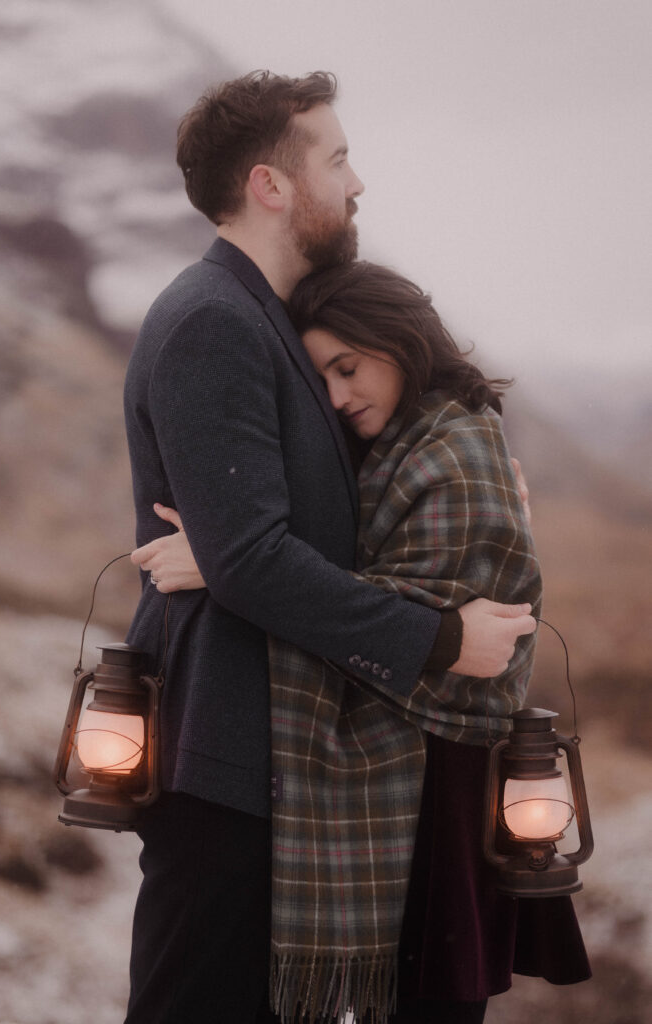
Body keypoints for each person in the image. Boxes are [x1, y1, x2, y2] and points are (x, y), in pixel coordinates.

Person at [122, 70, 538, 1024]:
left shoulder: (268, 319)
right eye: (338, 159)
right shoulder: (212, 322)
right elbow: (256, 560)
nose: (357, 185)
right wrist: (437, 638)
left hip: (283, 754)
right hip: (226, 751)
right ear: (272, 184)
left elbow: (275, 538)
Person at [141, 262, 591, 1024]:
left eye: (347, 367)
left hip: (441, 791)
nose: (340, 396)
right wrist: (237, 560)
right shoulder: (406, 441)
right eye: (324, 381)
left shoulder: (457, 453)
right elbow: (367, 577)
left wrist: (228, 569)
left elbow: (446, 650)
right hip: (409, 786)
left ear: (399, 340)